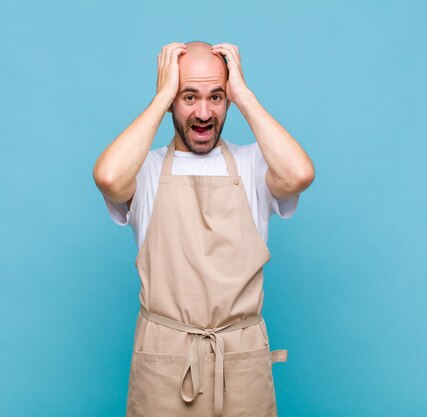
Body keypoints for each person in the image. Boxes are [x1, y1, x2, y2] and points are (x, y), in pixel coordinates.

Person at [93, 40, 314, 417]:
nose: (204, 112)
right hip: (166, 364)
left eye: (216, 96)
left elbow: (299, 174)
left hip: (240, 362)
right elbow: (109, 177)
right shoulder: (144, 170)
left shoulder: (253, 165)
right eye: (188, 97)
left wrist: (244, 94)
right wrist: (161, 96)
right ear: (171, 103)